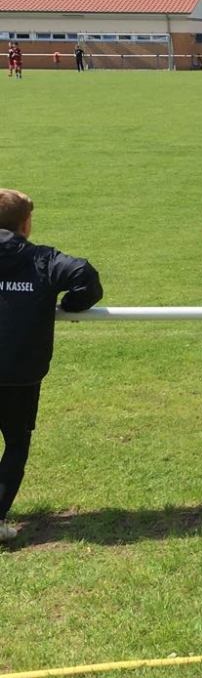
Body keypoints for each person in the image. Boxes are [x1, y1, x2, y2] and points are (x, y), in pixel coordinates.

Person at [0, 189, 103, 543]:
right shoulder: (42, 259)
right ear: (25, 224)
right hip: (19, 373)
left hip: (21, 372)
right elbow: (85, 276)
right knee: (16, 443)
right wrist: (72, 304)